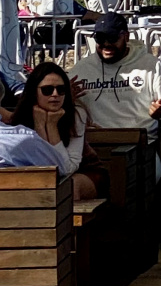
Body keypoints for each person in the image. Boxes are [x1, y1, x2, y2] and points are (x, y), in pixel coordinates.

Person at [9, 63, 102, 199]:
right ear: (34, 92)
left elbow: (67, 169)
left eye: (61, 89)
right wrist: (40, 125)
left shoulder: (76, 114)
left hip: (83, 172)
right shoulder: (23, 117)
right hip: (43, 177)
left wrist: (51, 126)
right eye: (47, 90)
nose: (55, 94)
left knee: (69, 187)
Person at [71, 12, 161, 132]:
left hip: (141, 142)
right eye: (100, 38)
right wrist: (66, 99)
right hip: (95, 142)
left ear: (126, 36)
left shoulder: (152, 66)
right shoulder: (81, 69)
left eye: (112, 38)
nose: (106, 44)